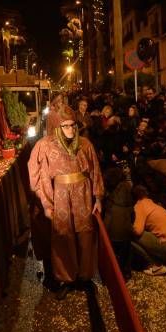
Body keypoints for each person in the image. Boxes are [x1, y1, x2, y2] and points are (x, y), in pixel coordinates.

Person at [28, 105, 104, 300]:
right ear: (57, 127)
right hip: (60, 196)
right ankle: (66, 278)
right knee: (63, 237)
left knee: (85, 235)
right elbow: (41, 176)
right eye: (66, 126)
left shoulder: (85, 144)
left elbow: (95, 170)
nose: (71, 129)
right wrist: (47, 203)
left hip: (83, 194)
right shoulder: (45, 146)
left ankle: (85, 277)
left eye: (73, 125)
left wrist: (98, 197)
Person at [131, 185, 166, 276]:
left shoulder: (140, 205)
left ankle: (156, 266)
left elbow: (137, 231)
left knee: (132, 237)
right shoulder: (152, 203)